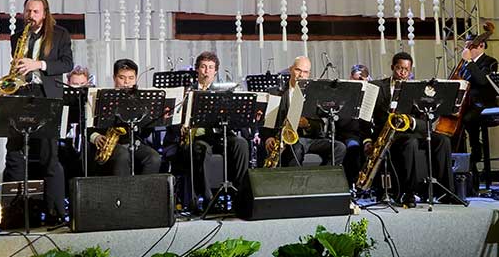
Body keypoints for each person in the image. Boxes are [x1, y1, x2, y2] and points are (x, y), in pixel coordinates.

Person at [3, 0, 73, 224]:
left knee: (49, 156)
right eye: (28, 11)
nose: (30, 15)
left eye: (35, 12)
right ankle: (15, 215)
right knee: (14, 153)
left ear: (44, 14)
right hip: (22, 94)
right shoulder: (17, 37)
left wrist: (39, 64)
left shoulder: (60, 34)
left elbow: (67, 64)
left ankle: (55, 214)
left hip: (46, 96)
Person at [364, 52, 454, 208]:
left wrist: (411, 122)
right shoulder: (377, 86)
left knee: (443, 140)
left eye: (406, 69)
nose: (403, 73)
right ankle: (409, 192)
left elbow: (426, 121)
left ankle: (445, 192)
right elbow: (365, 117)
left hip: (413, 129)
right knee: (410, 143)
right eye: (399, 68)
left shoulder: (417, 89)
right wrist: (367, 140)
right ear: (392, 67)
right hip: (390, 135)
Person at [177, 51, 250, 205]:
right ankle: (208, 198)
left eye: (210, 68)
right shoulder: (187, 92)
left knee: (241, 143)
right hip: (198, 137)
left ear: (215, 72)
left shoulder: (223, 93)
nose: (206, 71)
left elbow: (233, 119)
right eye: (203, 67)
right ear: (197, 69)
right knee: (202, 149)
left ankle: (240, 194)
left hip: (218, 135)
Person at [263, 56, 346, 167]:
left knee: (339, 147)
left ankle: (322, 176)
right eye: (298, 70)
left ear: (309, 74)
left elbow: (321, 126)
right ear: (291, 69)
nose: (301, 75)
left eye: (305, 72)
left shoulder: (315, 95)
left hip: (311, 139)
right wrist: (268, 138)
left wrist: (307, 124)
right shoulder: (276, 92)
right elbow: (267, 121)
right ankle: (294, 178)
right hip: (287, 140)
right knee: (296, 149)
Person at [88, 59, 162, 176]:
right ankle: (123, 189)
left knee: (154, 158)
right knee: (122, 155)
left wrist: (153, 118)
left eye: (131, 78)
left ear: (136, 78)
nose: (126, 82)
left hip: (132, 142)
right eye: (122, 78)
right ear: (114, 78)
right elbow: (86, 126)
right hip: (106, 144)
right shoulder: (101, 97)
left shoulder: (141, 100)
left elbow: (145, 134)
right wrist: (95, 137)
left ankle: (143, 188)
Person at [459, 37, 499, 192]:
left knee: (467, 119)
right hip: (468, 104)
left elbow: (482, 81)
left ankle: (476, 150)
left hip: (483, 104)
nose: (466, 50)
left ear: (481, 45)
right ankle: (463, 163)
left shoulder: (490, 62)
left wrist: (469, 62)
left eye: (469, 46)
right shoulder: (465, 65)